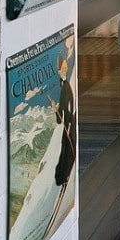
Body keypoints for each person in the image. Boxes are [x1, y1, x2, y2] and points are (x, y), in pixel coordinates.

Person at [49, 56, 76, 187]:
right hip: (67, 123)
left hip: (70, 123)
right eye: (62, 69)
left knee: (67, 149)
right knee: (65, 149)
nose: (64, 70)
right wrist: (55, 109)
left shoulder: (66, 87)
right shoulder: (63, 87)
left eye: (65, 68)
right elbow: (63, 110)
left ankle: (63, 176)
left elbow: (70, 106)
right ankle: (61, 176)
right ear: (59, 71)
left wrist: (70, 122)